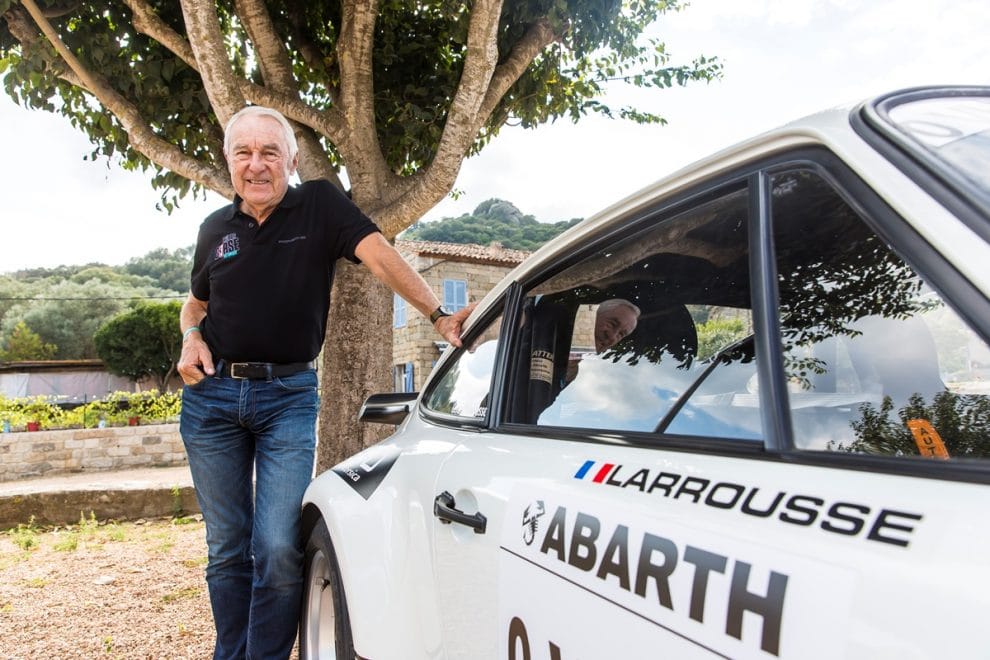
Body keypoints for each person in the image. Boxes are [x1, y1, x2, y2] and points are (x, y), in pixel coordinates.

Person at [176, 105, 472, 660]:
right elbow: (195, 303)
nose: (257, 164)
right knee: (227, 548)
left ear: (291, 158)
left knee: (277, 547)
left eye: (270, 152)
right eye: (244, 152)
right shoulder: (214, 230)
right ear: (228, 160)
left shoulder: (318, 203)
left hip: (286, 397)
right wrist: (191, 336)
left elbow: (380, 256)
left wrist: (437, 315)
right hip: (211, 399)